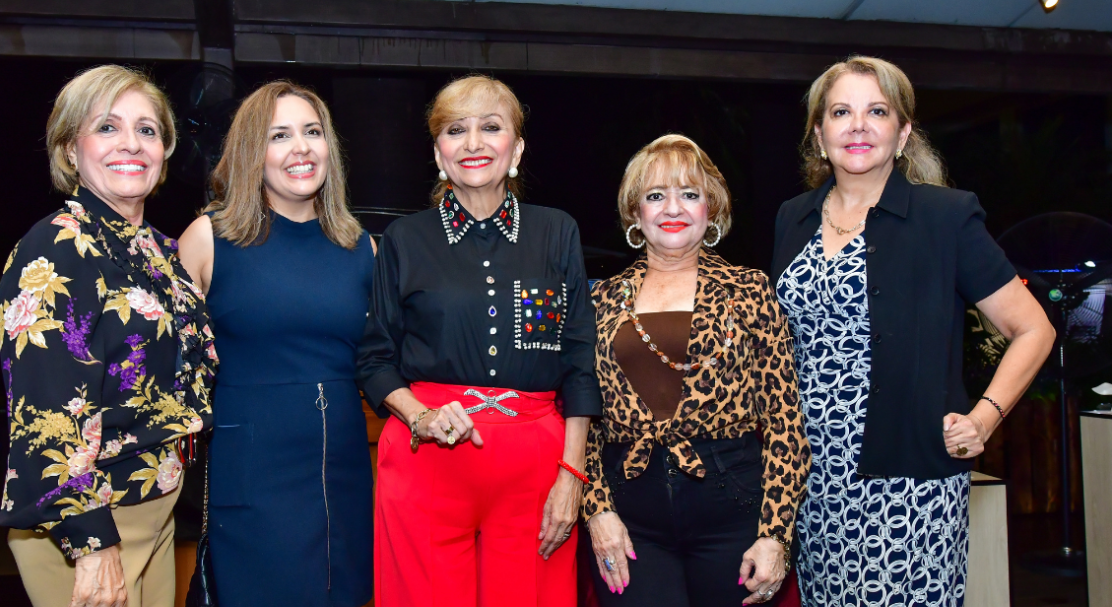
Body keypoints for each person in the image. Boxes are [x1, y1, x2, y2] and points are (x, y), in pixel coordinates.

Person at [772, 56, 1055, 607]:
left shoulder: (945, 217)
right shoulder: (792, 217)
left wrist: (984, 417)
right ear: (818, 132)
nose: (857, 125)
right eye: (841, 112)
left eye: (877, 111)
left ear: (902, 133)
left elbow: (1034, 329)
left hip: (909, 478)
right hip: (811, 479)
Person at [355, 74, 602, 607]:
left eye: (490, 127)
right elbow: (375, 359)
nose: (472, 143)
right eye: (455, 130)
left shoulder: (557, 231)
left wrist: (572, 476)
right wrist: (420, 415)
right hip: (427, 460)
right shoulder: (404, 239)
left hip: (537, 470)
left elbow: (580, 362)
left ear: (515, 147)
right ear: (438, 152)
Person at [0, 64, 216, 607]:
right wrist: (92, 542)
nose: (131, 144)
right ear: (71, 149)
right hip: (87, 521)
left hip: (156, 504)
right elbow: (45, 416)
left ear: (165, 150)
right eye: (107, 127)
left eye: (147, 130)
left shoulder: (158, 251)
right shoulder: (55, 248)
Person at [583, 134, 810, 607]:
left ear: (712, 210)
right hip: (631, 522)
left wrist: (775, 536)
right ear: (635, 212)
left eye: (689, 194)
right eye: (655, 195)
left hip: (734, 513)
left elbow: (787, 424)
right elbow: (583, 420)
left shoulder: (749, 290)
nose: (673, 208)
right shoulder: (601, 299)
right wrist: (598, 511)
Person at [177, 81, 375, 606]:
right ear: (251, 152)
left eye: (312, 132)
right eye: (279, 135)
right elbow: (167, 365)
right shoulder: (208, 238)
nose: (301, 148)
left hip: (344, 469)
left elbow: (383, 359)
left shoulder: (362, 248)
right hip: (253, 474)